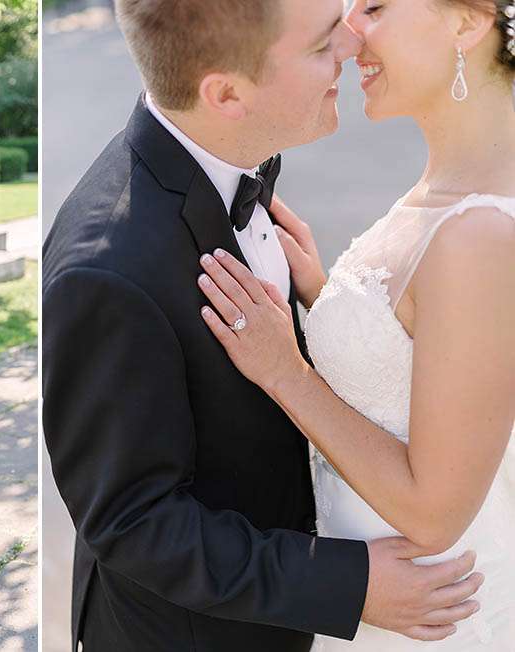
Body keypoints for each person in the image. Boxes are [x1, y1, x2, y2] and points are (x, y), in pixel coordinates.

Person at [42, 0, 484, 650]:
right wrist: (343, 585)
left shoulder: (230, 155)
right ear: (226, 93)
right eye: (321, 44)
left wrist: (325, 312)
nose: (353, 48)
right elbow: (134, 522)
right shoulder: (107, 274)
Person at [196, 0, 515, 648]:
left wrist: (285, 371)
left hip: (427, 609)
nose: (348, 34)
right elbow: (415, 348)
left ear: (467, 22)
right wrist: (325, 294)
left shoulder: (481, 234)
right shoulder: (453, 183)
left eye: (374, 7)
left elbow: (434, 513)